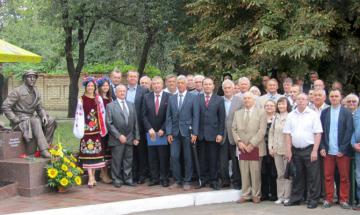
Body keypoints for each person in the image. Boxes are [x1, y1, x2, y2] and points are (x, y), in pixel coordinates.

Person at [2, 70, 57, 158]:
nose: (32, 79)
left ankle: (46, 146)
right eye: (29, 77)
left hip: (31, 120)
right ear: (24, 78)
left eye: (34, 77)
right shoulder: (17, 91)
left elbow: (39, 108)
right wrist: (15, 119)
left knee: (51, 120)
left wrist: (43, 115)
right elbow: (5, 106)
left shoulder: (36, 92)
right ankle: (43, 150)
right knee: (35, 121)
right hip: (20, 122)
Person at [283, 93, 323, 209]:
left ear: (307, 101)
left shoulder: (313, 114)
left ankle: (313, 199)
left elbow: (318, 133)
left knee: (313, 176)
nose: (301, 101)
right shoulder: (291, 115)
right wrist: (288, 150)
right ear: (295, 101)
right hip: (295, 150)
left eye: (303, 99)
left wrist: (315, 150)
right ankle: (296, 198)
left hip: (310, 149)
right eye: (299, 99)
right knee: (297, 175)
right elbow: (287, 134)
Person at [319, 89, 353, 209]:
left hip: (342, 152)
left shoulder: (347, 112)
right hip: (328, 151)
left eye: (336, 96)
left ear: (340, 97)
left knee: (344, 177)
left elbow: (349, 131)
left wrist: (343, 149)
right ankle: (329, 199)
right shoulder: (324, 112)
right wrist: (322, 146)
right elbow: (320, 131)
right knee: (328, 176)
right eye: (332, 96)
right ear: (329, 98)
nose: (334, 98)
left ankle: (343, 199)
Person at [166, 75, 200, 191]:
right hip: (175, 133)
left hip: (188, 132)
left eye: (182, 83)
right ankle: (177, 180)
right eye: (178, 83)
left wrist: (195, 133)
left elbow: (196, 116)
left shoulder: (193, 97)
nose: (180, 85)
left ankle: (187, 180)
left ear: (186, 84)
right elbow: (169, 117)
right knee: (174, 156)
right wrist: (169, 132)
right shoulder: (172, 98)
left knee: (187, 157)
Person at [232, 92, 267, 204]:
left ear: (254, 100)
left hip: (255, 147)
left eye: (249, 98)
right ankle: (245, 194)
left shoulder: (261, 112)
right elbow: (233, 129)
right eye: (245, 98)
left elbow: (262, 130)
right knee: (244, 172)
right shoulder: (237, 113)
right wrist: (239, 142)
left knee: (255, 172)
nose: (247, 100)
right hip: (242, 147)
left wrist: (252, 144)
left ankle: (256, 195)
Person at [73, 76, 107, 188]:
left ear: (95, 87)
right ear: (85, 87)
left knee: (95, 154)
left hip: (96, 130)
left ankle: (92, 176)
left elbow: (102, 114)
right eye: (89, 86)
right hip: (86, 131)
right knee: (87, 154)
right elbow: (78, 115)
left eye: (92, 86)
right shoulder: (81, 99)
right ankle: (90, 177)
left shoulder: (98, 99)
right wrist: (79, 129)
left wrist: (103, 127)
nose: (90, 88)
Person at [106, 84, 140, 188]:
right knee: (117, 160)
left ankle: (128, 179)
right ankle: (116, 179)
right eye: (120, 91)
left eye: (124, 91)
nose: (122, 93)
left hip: (130, 138)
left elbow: (135, 122)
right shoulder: (110, 106)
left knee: (128, 160)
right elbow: (109, 123)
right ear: (116, 93)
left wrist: (136, 137)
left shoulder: (131, 105)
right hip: (117, 139)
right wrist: (119, 135)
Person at [197, 78, 226, 190]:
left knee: (213, 158)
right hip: (201, 134)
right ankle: (203, 179)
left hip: (214, 134)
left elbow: (222, 118)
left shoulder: (219, 100)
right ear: (202, 86)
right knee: (202, 159)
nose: (207, 86)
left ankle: (213, 180)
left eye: (210, 84)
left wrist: (220, 133)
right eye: (205, 84)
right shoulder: (198, 98)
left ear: (213, 86)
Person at [142, 76, 170, 187]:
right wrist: (149, 128)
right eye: (154, 84)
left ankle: (164, 178)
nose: (157, 85)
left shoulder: (169, 97)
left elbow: (169, 116)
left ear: (162, 84)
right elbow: (143, 115)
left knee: (163, 157)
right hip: (151, 133)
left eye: (158, 83)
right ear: (151, 85)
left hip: (162, 132)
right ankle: (154, 178)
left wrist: (163, 129)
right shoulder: (146, 97)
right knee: (152, 156)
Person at [126, 70, 150, 184]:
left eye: (135, 76)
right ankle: (132, 174)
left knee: (141, 152)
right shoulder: (122, 90)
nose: (132, 78)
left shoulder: (144, 91)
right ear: (127, 78)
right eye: (130, 76)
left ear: (137, 78)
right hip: (125, 128)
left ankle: (142, 175)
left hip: (140, 127)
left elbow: (146, 110)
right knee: (130, 153)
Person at [269, 97, 292, 204]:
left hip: (286, 150)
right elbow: (271, 133)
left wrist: (289, 150)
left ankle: (287, 196)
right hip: (276, 150)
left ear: (287, 105)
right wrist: (271, 147)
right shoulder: (275, 117)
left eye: (283, 104)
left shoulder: (291, 116)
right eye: (279, 104)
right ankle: (280, 196)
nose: (281, 106)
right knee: (280, 174)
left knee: (287, 175)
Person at [220, 80, 242, 190]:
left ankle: (237, 181)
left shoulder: (240, 101)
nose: (227, 90)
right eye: (225, 88)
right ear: (223, 89)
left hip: (235, 135)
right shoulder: (219, 100)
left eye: (229, 88)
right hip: (222, 135)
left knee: (235, 160)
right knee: (223, 161)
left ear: (233, 88)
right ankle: (225, 181)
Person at [96, 76, 113, 184]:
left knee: (108, 152)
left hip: (109, 129)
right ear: (100, 87)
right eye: (103, 85)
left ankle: (106, 172)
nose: (105, 87)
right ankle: (103, 173)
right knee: (101, 151)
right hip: (101, 129)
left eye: (107, 85)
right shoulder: (97, 98)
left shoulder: (110, 98)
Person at [261, 100, 278, 201]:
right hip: (263, 147)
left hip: (273, 148)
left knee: (273, 171)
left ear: (275, 107)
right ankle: (265, 193)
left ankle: (274, 193)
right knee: (263, 171)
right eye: (267, 105)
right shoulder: (261, 118)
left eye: (271, 105)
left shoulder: (277, 118)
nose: (269, 107)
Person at [352, 108, 360, 210]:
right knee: (359, 177)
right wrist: (353, 143)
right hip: (358, 149)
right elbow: (353, 131)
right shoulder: (357, 113)